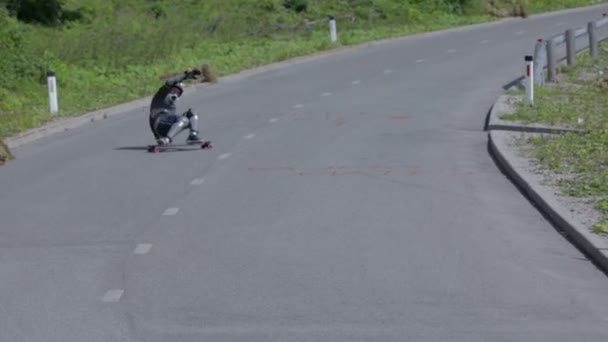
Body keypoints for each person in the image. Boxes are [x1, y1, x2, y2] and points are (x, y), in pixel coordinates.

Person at [149, 68, 204, 145]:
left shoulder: (172, 107)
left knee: (192, 112)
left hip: (168, 126)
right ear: (169, 90)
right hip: (159, 122)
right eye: (173, 91)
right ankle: (167, 139)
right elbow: (169, 82)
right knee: (184, 119)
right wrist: (185, 75)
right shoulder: (161, 95)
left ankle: (193, 135)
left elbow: (177, 121)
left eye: (178, 93)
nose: (175, 94)